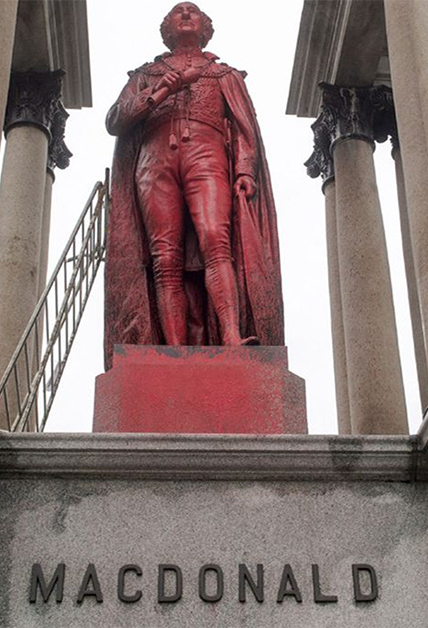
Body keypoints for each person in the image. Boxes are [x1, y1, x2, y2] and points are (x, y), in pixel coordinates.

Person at [103, 2, 284, 369]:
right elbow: (116, 120)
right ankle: (174, 349)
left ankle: (231, 335)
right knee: (164, 257)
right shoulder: (147, 74)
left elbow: (245, 127)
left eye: (193, 11)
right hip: (154, 162)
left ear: (206, 27)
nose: (186, 13)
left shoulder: (224, 74)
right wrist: (160, 91)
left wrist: (245, 170)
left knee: (216, 240)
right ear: (167, 28)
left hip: (207, 155)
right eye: (178, 11)